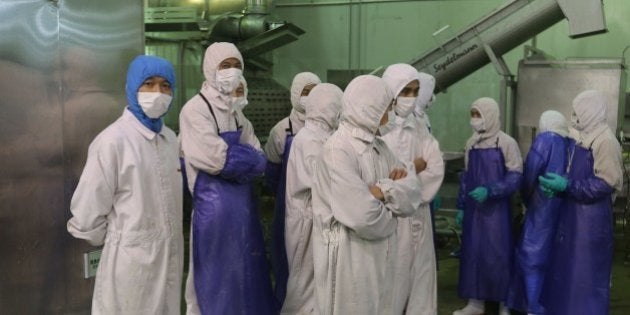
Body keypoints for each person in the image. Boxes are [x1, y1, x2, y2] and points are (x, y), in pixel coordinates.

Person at [66, 55, 183, 314]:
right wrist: (124, 238)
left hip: (170, 256)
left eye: (165, 86)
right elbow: (86, 215)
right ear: (132, 87)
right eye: (149, 84)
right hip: (130, 264)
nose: (158, 92)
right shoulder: (112, 141)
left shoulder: (169, 139)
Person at [311, 75, 422, 315]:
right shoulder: (337, 150)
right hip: (348, 258)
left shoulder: (380, 148)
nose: (391, 111)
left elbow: (413, 193)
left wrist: (381, 190)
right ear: (369, 105)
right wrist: (391, 208)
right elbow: (363, 216)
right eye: (387, 105)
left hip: (380, 254)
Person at [179, 42, 275, 315]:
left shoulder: (237, 114)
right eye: (225, 66)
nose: (232, 71)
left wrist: (239, 158)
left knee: (247, 280)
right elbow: (216, 160)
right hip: (214, 216)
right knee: (213, 283)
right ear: (210, 68)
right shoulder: (196, 110)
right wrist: (241, 159)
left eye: (236, 66)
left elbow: (260, 160)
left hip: (244, 212)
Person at [539, 90, 622, 315]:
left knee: (585, 281)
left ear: (590, 111)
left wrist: (567, 186)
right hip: (573, 216)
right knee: (569, 278)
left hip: (591, 224)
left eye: (577, 112)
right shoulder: (584, 137)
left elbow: (605, 184)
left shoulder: (605, 141)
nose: (573, 117)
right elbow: (577, 175)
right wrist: (560, 185)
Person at [381, 64, 444, 315]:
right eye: (405, 90)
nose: (411, 97)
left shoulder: (418, 125)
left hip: (420, 213)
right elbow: (379, 177)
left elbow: (435, 163)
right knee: (392, 282)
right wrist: (415, 167)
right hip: (391, 218)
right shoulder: (379, 129)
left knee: (422, 279)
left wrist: (404, 176)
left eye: (415, 91)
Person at [453, 97, 523, 315]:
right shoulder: (471, 143)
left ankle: (504, 305)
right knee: (473, 254)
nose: (474, 120)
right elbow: (466, 177)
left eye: (478, 115)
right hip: (475, 212)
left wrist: (491, 191)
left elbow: (516, 176)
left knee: (498, 256)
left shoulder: (506, 143)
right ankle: (475, 303)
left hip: (497, 212)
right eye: (472, 114)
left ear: (490, 115)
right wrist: (462, 206)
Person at [282, 83, 343, 314]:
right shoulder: (309, 139)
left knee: (316, 282)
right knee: (303, 283)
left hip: (315, 217)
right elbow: (323, 180)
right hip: (305, 220)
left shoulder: (324, 135)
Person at [506, 110, 571, 315]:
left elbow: (531, 172)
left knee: (532, 259)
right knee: (555, 260)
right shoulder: (571, 144)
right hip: (564, 210)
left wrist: (526, 198)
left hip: (542, 208)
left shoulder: (545, 140)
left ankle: (534, 308)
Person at [264, 71, 321, 304]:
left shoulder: (330, 129)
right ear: (296, 94)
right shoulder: (281, 131)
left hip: (320, 206)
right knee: (286, 259)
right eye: (306, 92)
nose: (311, 97)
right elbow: (272, 174)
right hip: (288, 208)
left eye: (316, 92)